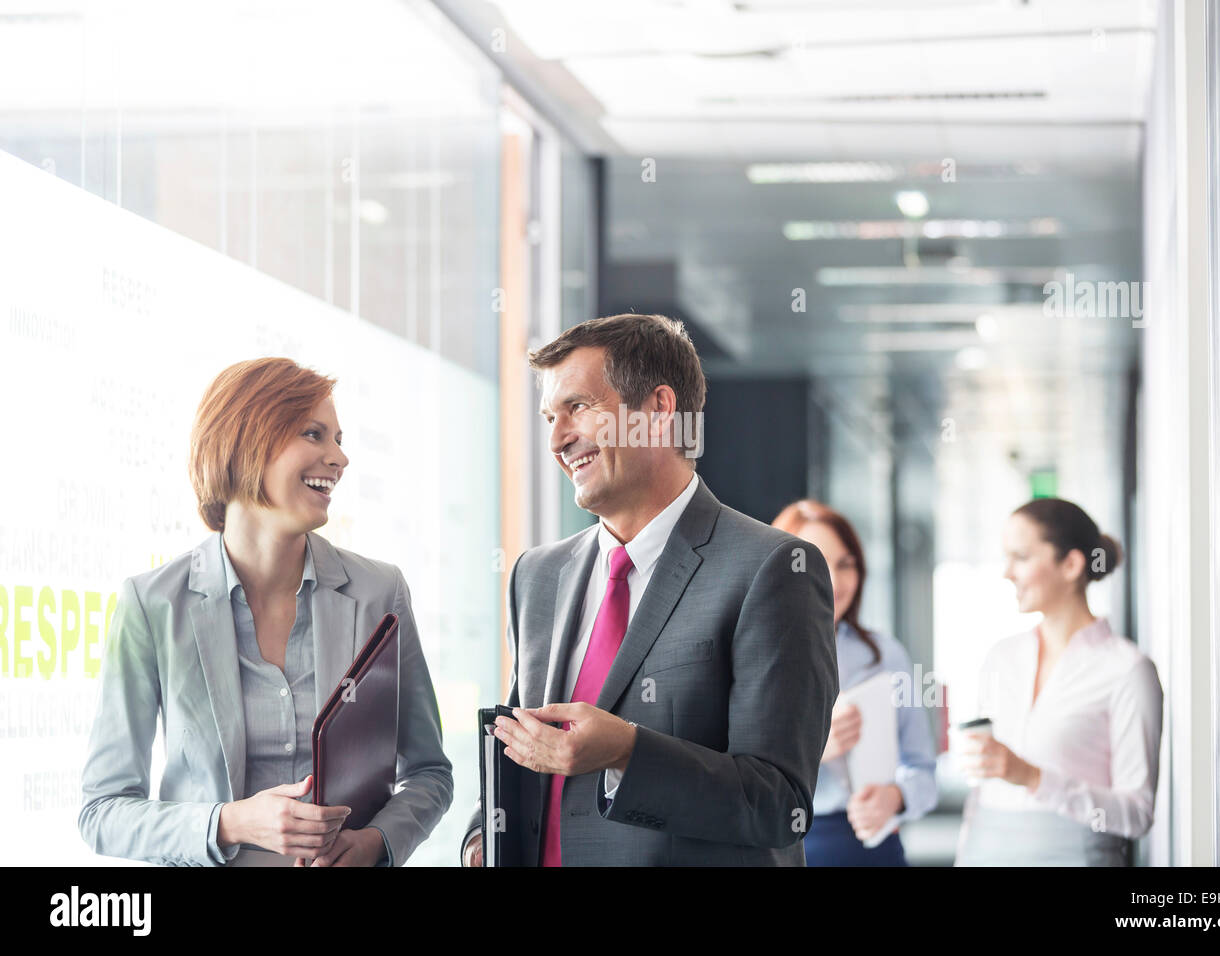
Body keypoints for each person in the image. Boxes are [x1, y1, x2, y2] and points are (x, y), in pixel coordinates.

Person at [462, 313, 837, 866]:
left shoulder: (773, 569)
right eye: (549, 417)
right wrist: (480, 840)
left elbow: (778, 804)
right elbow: (522, 750)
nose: (558, 440)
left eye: (579, 408)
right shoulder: (537, 575)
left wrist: (626, 751)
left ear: (658, 411)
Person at [79, 357, 453, 867]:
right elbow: (102, 811)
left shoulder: (378, 592)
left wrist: (374, 843)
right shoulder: (151, 605)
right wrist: (230, 822)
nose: (339, 457)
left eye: (339, 439)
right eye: (314, 434)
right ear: (246, 441)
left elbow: (430, 772)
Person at [954, 497, 1163, 866]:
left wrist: (1033, 777)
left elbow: (1137, 814)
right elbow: (981, 794)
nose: (1007, 573)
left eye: (1021, 557)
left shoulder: (1127, 671)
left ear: (1070, 564)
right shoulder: (1000, 658)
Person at [772, 499, 937, 866]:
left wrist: (896, 797)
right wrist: (813, 750)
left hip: (872, 845)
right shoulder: (750, 653)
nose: (832, 580)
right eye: (813, 563)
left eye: (845, 564)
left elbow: (924, 771)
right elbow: (725, 775)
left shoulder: (884, 654)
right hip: (785, 846)